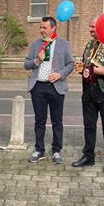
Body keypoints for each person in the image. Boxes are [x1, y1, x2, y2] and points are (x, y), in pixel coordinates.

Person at [72, 16, 104, 175]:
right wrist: (82, 69)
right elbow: (88, 63)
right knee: (89, 125)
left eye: (93, 27)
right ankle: (88, 156)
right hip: (88, 89)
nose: (90, 30)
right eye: (90, 27)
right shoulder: (90, 43)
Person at [24, 16, 75, 164]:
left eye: (44, 27)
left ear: (53, 28)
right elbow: (26, 64)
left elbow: (71, 64)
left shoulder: (64, 44)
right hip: (38, 87)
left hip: (56, 87)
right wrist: (36, 61)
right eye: (40, 27)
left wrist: (60, 74)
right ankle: (39, 149)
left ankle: (56, 150)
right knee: (39, 120)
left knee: (57, 121)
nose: (41, 30)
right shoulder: (35, 45)